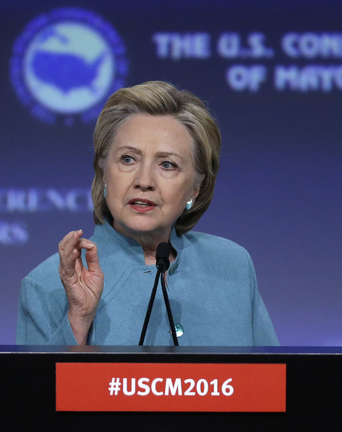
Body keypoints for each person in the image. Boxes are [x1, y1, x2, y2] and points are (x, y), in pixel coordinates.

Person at [17, 81, 278, 346]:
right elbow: (41, 387)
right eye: (128, 159)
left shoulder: (231, 265)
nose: (144, 180)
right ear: (103, 171)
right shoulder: (46, 284)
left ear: (195, 188)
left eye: (167, 164)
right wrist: (79, 319)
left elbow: (274, 384)